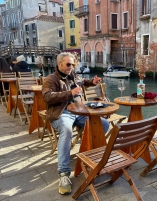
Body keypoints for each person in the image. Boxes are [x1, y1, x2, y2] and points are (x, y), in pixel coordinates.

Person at [42, 52, 109, 195]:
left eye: (72, 64)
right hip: (62, 113)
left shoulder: (73, 75)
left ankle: (92, 157)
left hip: (79, 112)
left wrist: (93, 81)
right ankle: (64, 174)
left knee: (104, 124)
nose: (71, 67)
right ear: (59, 64)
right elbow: (47, 97)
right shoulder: (51, 79)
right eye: (68, 64)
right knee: (66, 130)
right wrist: (70, 93)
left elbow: (83, 82)